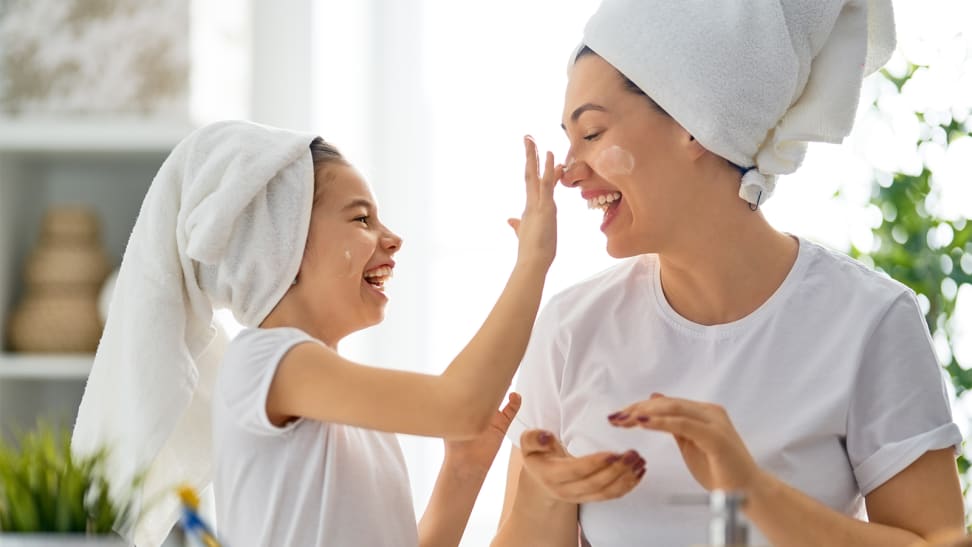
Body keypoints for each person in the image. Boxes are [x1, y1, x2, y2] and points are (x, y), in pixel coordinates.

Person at [493, 1, 965, 546]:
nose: (570, 173)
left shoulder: (869, 321)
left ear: (695, 124)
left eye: (593, 134)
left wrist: (751, 489)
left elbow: (940, 543)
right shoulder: (570, 330)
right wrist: (545, 492)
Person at [69, 119, 624, 547]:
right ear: (278, 244)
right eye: (362, 219)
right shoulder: (268, 363)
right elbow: (458, 403)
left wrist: (461, 467)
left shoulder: (342, 408)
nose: (393, 238)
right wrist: (533, 262)